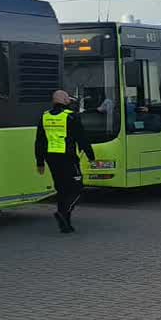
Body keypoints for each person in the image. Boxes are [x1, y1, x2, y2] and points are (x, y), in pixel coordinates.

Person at [35, 90, 94, 234]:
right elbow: (82, 138)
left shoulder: (45, 117)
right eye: (67, 97)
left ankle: (65, 225)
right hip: (68, 158)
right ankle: (63, 212)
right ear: (63, 100)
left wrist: (40, 162)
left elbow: (39, 141)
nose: (69, 99)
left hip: (51, 158)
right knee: (78, 189)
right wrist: (91, 156)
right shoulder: (71, 117)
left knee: (62, 190)